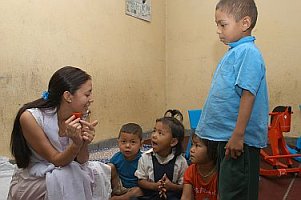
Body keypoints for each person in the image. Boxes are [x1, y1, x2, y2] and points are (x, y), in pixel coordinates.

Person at [195, 0, 269, 199]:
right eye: (217, 25)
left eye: (223, 24)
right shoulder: (235, 52)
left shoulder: (248, 53)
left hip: (238, 141)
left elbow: (248, 94)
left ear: (245, 23)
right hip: (228, 138)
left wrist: (238, 135)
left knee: (236, 193)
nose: (218, 31)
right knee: (227, 190)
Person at [8, 66, 112, 200]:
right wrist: (75, 144)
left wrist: (84, 142)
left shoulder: (81, 115)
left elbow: (82, 160)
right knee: (70, 176)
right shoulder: (31, 118)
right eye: (87, 94)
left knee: (95, 170)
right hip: (35, 178)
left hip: (65, 167)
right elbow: (56, 160)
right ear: (68, 96)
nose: (91, 99)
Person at [134, 109, 188, 200]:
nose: (154, 135)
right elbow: (140, 181)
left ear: (173, 141)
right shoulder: (145, 157)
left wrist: (172, 187)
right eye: (154, 131)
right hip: (152, 196)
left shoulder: (181, 161)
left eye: (160, 133)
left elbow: (185, 186)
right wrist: (155, 186)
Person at [109, 123, 144, 200]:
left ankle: (121, 198)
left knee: (138, 191)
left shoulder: (144, 159)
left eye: (133, 142)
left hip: (136, 188)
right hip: (120, 187)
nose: (127, 146)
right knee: (109, 167)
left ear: (141, 144)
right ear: (118, 142)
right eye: (123, 142)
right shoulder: (117, 157)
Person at [181, 134, 218, 200]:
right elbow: (186, 197)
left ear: (211, 149)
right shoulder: (191, 170)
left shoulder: (220, 173)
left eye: (197, 145)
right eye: (192, 144)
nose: (191, 150)